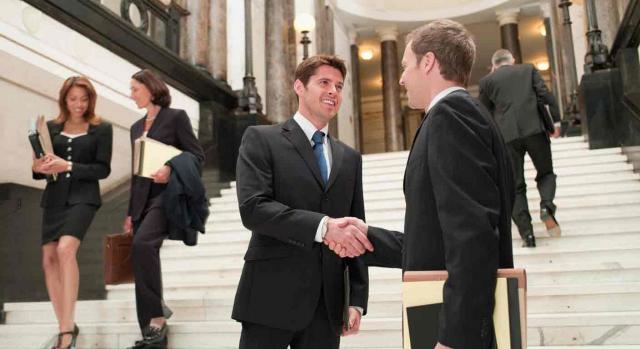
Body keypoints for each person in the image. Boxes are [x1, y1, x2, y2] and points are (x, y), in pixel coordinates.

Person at [325, 20, 515, 349]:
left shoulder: (450, 116)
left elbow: (473, 235)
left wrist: (456, 337)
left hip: (452, 324)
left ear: (427, 62)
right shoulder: (462, 114)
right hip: (439, 306)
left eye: (406, 66)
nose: (401, 78)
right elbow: (439, 240)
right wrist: (367, 238)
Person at [232, 55, 372, 349]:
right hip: (269, 296)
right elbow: (253, 208)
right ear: (299, 86)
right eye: (324, 82)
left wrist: (356, 299)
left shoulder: (350, 158)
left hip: (327, 305)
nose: (333, 91)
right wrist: (322, 227)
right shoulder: (261, 138)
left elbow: (356, 228)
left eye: (339, 85)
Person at [123, 69, 204, 349]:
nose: (131, 94)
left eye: (135, 88)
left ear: (150, 88)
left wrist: (170, 168)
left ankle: (156, 318)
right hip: (142, 199)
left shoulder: (176, 117)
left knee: (144, 245)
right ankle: (150, 327)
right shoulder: (135, 127)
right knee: (140, 251)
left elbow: (196, 154)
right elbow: (135, 174)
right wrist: (130, 214)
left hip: (167, 195)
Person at [32, 76, 113, 349]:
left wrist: (67, 165)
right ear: (64, 99)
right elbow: (39, 170)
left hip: (84, 198)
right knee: (48, 259)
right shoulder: (52, 127)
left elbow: (103, 169)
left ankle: (67, 331)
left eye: (84, 98)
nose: (78, 104)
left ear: (91, 100)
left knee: (66, 249)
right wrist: (39, 167)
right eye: (73, 99)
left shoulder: (102, 129)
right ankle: (64, 324)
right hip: (54, 198)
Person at [479, 49, 562, 247]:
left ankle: (528, 234)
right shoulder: (527, 70)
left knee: (515, 186)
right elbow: (545, 95)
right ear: (513, 60)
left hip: (506, 137)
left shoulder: (487, 81)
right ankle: (547, 208)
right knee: (546, 173)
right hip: (535, 130)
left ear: (494, 65)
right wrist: (556, 122)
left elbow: (484, 113)